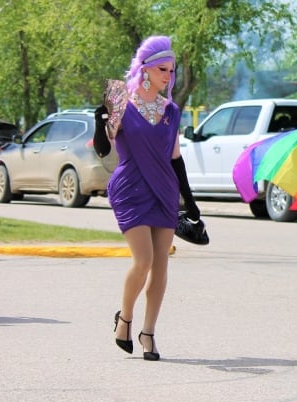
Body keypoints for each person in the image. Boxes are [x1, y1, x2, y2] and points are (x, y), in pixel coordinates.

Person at [96, 35, 202, 361]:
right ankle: (124, 318)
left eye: (171, 71)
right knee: (142, 261)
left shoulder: (172, 111)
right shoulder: (119, 99)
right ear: (145, 69)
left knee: (160, 267)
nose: (168, 77)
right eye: (162, 70)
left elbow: (175, 159)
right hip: (129, 188)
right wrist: (101, 120)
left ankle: (148, 332)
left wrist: (191, 201)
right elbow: (103, 148)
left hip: (165, 190)